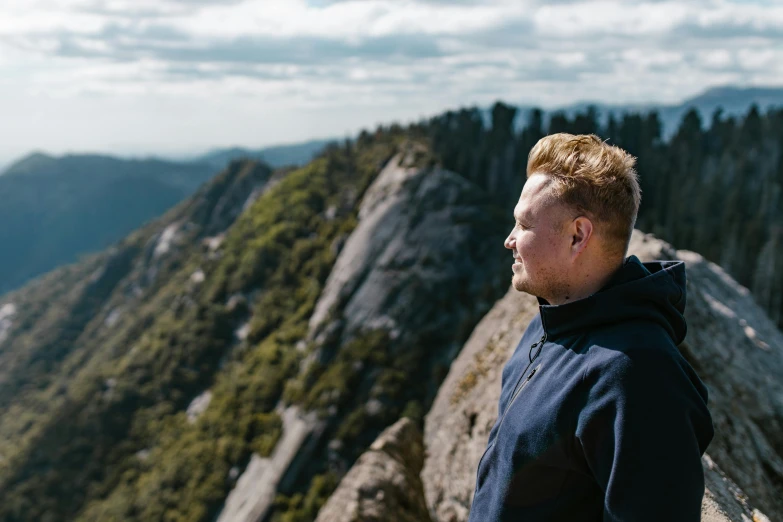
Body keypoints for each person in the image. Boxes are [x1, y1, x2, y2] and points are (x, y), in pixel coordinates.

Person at [469, 133, 714, 521]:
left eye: (523, 224)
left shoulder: (637, 376)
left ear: (578, 236)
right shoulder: (550, 324)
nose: (509, 240)